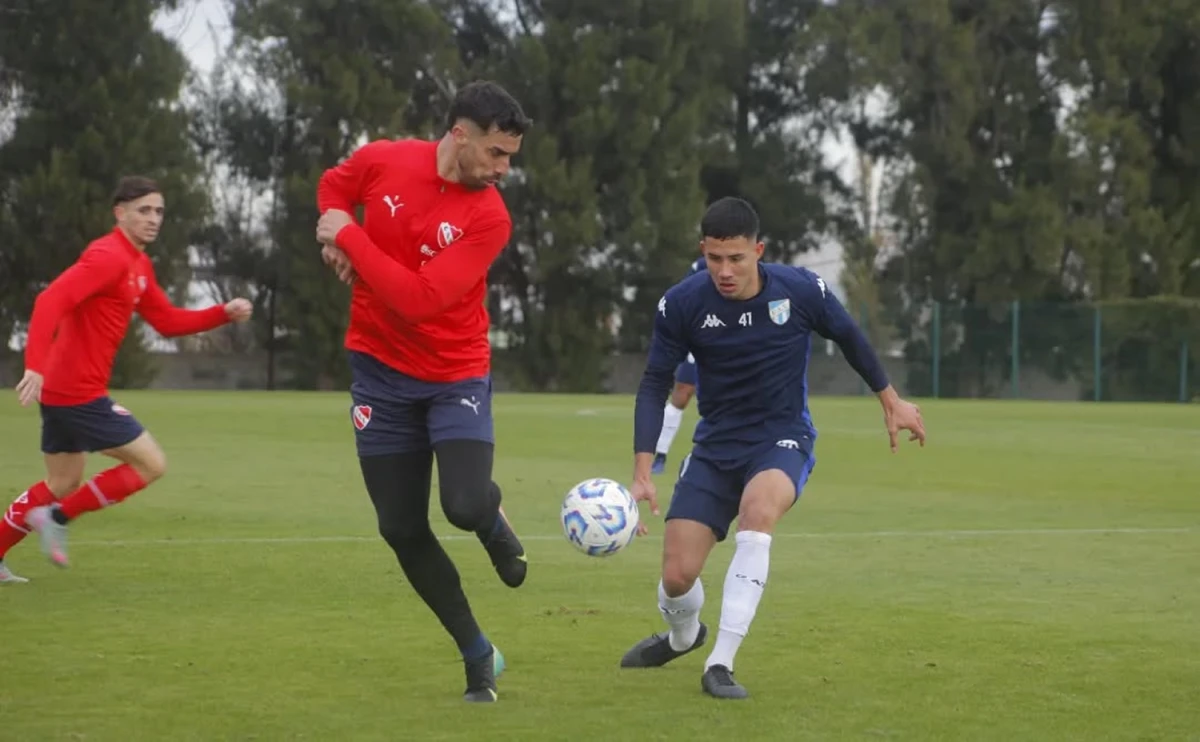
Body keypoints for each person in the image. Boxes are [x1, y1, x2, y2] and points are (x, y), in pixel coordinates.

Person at [619, 197, 926, 699]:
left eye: (736, 258)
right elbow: (655, 384)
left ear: (758, 251)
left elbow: (849, 335)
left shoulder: (800, 291)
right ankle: (684, 636)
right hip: (716, 445)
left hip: (782, 436)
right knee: (676, 577)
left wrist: (890, 399)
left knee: (757, 512)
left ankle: (720, 662)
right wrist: (641, 470)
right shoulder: (683, 303)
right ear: (703, 250)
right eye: (715, 258)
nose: (725, 270)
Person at [314, 80, 531, 703]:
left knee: (461, 505)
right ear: (458, 135)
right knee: (401, 528)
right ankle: (477, 653)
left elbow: (419, 300)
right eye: (496, 153)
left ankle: (490, 518)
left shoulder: (489, 216)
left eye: (510, 157)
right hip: (379, 374)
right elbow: (334, 187)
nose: (503, 169)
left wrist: (347, 238)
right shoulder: (386, 158)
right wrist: (331, 237)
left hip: (454, 373)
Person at [1, 176, 253, 581]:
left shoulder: (137, 263)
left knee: (63, 480)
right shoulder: (108, 257)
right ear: (120, 213)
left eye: (159, 211)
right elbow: (51, 299)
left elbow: (166, 321)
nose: (154, 219)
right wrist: (35, 364)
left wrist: (220, 313)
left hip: (66, 391)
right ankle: (57, 519)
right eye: (144, 211)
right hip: (77, 392)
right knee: (151, 464)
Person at [652, 256, 707, 474]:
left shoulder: (749, 266)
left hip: (734, 339)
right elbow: (685, 298)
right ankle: (660, 454)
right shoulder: (701, 266)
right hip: (703, 337)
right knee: (681, 395)